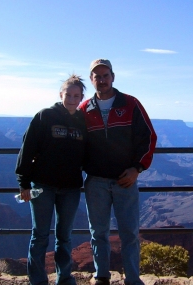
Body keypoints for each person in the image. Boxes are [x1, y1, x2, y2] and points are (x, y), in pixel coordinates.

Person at [78, 59, 157, 285]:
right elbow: (76, 144)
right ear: (92, 80)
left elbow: (148, 137)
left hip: (125, 180)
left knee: (130, 234)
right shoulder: (85, 109)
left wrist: (137, 168)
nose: (101, 80)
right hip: (96, 182)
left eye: (105, 75)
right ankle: (101, 276)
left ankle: (133, 279)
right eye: (97, 77)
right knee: (98, 233)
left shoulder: (130, 104)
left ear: (113, 77)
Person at [15, 74, 87, 285]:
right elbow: (27, 149)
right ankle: (37, 281)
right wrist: (24, 183)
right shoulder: (45, 116)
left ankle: (64, 278)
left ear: (82, 97)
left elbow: (90, 151)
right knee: (40, 236)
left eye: (77, 96)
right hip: (43, 186)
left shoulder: (82, 121)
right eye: (69, 95)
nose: (72, 99)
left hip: (71, 188)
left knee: (64, 237)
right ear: (60, 94)